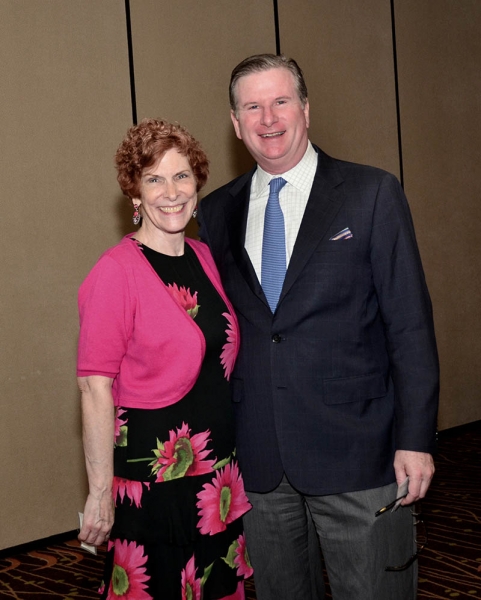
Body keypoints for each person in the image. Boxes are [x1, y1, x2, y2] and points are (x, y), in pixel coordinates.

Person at [198, 54, 439, 600]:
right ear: (235, 123)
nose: (268, 118)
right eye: (252, 107)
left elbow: (409, 326)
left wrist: (415, 440)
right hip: (260, 460)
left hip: (362, 453)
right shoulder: (215, 212)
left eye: (280, 101)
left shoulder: (371, 193)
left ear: (306, 109)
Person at [77, 118, 252, 600]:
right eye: (154, 179)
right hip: (156, 479)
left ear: (197, 185)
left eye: (181, 176)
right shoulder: (115, 272)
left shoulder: (204, 256)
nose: (170, 192)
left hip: (216, 473)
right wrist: (99, 492)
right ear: (135, 193)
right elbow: (94, 387)